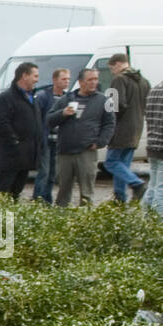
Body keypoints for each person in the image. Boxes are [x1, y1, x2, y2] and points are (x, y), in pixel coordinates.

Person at [47, 68, 116, 207]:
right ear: (80, 82)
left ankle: (85, 222)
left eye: (95, 79)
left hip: (87, 151)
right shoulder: (66, 99)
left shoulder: (104, 100)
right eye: (90, 80)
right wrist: (63, 113)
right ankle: (61, 220)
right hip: (65, 151)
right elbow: (49, 119)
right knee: (63, 191)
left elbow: (110, 123)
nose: (93, 82)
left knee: (86, 192)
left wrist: (100, 142)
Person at [0, 62, 43, 200]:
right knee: (1, 193)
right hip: (10, 156)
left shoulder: (32, 98)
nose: (37, 79)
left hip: (25, 157)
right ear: (24, 76)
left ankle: (11, 220)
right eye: (35, 76)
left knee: (16, 193)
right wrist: (15, 141)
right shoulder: (6, 98)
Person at [103, 53, 150, 202]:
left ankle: (137, 184)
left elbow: (118, 105)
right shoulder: (143, 81)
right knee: (122, 165)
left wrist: (107, 117)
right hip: (137, 128)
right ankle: (120, 198)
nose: (112, 72)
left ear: (117, 64)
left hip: (121, 128)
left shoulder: (119, 79)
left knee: (111, 162)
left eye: (111, 68)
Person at [32, 67, 70, 203]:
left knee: (53, 174)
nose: (66, 82)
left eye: (68, 79)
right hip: (45, 139)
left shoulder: (68, 97)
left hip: (59, 141)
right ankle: (37, 199)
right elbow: (37, 117)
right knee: (44, 171)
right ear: (55, 80)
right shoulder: (43, 96)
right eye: (63, 79)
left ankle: (47, 200)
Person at [143, 78, 163, 218]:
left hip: (152, 145)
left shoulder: (154, 89)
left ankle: (146, 220)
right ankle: (159, 227)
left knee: (153, 186)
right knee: (161, 190)